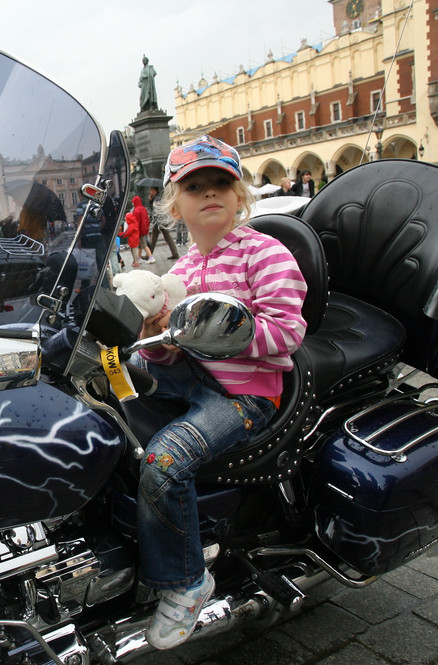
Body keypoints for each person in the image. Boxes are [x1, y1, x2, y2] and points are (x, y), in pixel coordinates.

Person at [135, 135, 306, 649]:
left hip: (244, 395)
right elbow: (166, 352)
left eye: (221, 184)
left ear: (239, 197)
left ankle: (188, 583)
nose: (209, 193)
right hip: (195, 379)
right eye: (195, 186)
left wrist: (226, 333)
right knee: (104, 389)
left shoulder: (264, 252)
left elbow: (289, 332)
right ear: (175, 203)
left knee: (163, 463)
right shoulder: (182, 270)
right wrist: (155, 340)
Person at [146, 187, 181, 260]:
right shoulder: (157, 197)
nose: (150, 191)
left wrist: (151, 201)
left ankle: (149, 254)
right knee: (166, 237)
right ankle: (175, 253)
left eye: (151, 190)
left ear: (154, 190)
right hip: (161, 221)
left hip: (159, 221)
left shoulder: (157, 198)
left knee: (154, 238)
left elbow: (156, 210)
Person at [128, 195, 155, 264]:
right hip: (144, 228)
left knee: (143, 244)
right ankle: (139, 258)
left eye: (133, 202)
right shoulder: (143, 208)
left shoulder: (136, 210)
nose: (132, 204)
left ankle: (151, 257)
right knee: (140, 244)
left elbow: (136, 221)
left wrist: (135, 230)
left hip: (139, 230)